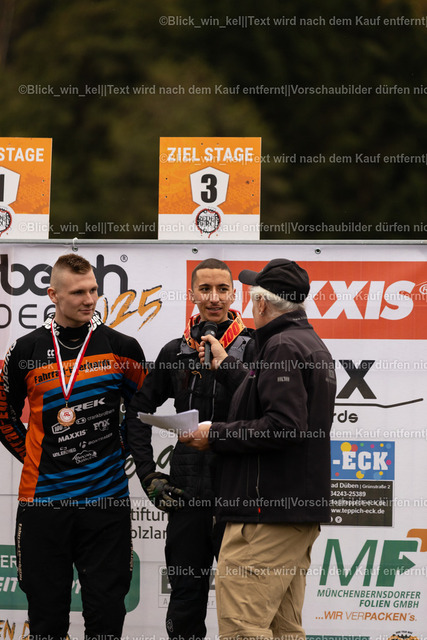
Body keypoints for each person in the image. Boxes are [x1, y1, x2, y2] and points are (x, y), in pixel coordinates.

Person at [181, 258, 336, 640]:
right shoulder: (306, 342)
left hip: (265, 516)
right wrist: (228, 367)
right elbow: (270, 402)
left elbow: (284, 426)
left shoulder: (281, 346)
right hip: (289, 514)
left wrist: (215, 434)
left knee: (243, 630)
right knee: (284, 630)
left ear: (262, 303)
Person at [0, 253, 146, 640]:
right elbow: (3, 414)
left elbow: (142, 414)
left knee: (106, 614)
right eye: (78, 292)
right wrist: (35, 456)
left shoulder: (122, 347)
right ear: (53, 295)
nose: (90, 299)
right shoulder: (26, 350)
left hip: (106, 500)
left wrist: (122, 449)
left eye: (94, 290)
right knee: (46, 618)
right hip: (43, 502)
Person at [126, 258, 253, 640]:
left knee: (245, 603)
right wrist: (148, 475)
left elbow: (269, 412)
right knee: (185, 600)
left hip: (239, 495)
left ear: (234, 294)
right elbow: (137, 412)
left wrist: (225, 367)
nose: (214, 298)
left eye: (222, 289)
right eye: (205, 289)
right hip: (187, 497)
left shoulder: (255, 346)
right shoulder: (175, 351)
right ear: (192, 294)